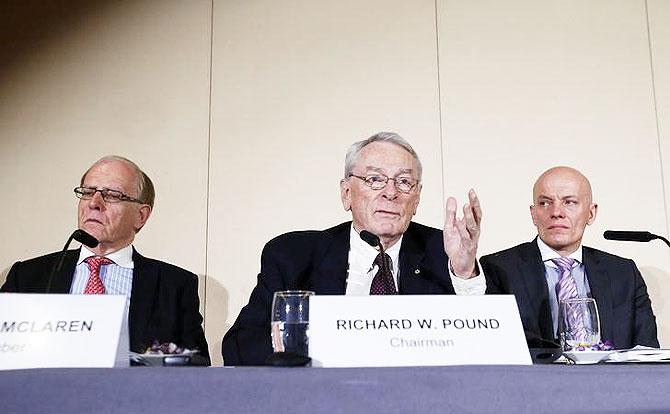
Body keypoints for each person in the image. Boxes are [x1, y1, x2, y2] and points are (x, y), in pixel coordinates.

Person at [222, 132, 485, 365]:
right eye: (374, 179)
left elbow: (491, 346)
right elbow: (240, 346)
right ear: (346, 193)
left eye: (404, 182)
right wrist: (322, 346)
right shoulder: (294, 256)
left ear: (417, 199)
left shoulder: (446, 252)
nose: (390, 193)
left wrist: (464, 274)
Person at [1, 156, 211, 365]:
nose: (94, 203)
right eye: (88, 192)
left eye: (112, 195)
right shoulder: (27, 276)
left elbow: (196, 366)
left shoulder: (174, 286)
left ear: (141, 215)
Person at [481, 166, 658, 349]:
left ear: (591, 213)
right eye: (545, 203)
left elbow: (648, 351)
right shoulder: (499, 269)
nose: (557, 212)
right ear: (533, 214)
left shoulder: (623, 273)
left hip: (610, 377)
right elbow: (487, 344)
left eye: (569, 202)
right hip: (538, 377)